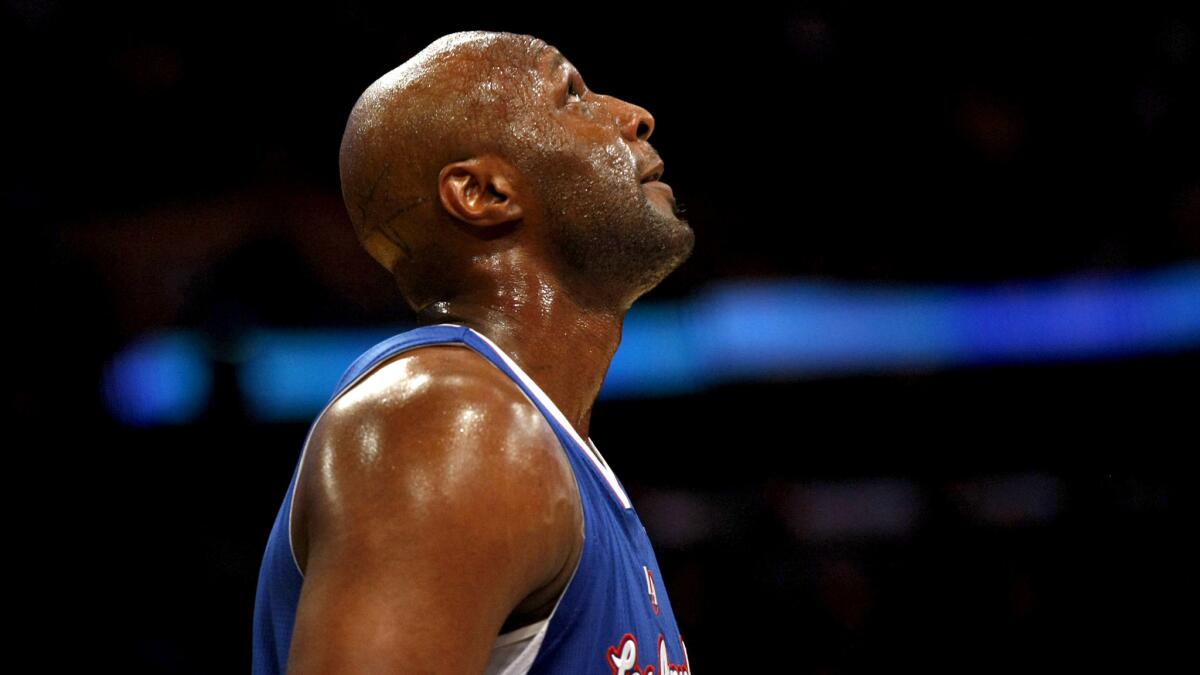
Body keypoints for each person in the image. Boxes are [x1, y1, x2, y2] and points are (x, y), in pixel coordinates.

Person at [251, 30, 695, 674]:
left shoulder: (538, 439)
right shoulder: (448, 421)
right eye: (572, 95)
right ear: (483, 194)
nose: (634, 116)